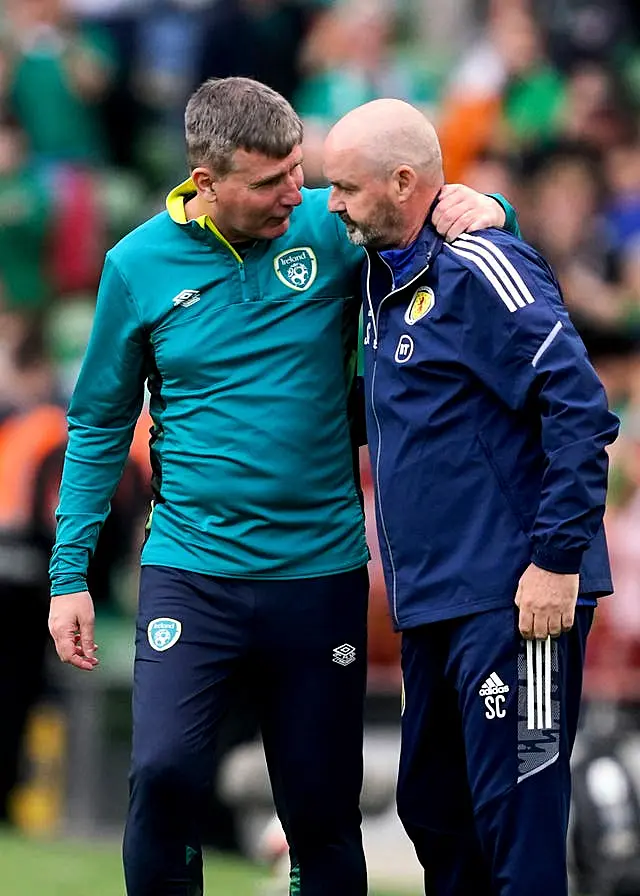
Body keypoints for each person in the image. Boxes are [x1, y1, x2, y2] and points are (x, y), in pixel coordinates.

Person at [47, 77, 515, 896]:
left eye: (299, 170)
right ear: (205, 182)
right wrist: (69, 576)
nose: (297, 193)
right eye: (270, 181)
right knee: (162, 779)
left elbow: (427, 215)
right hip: (193, 573)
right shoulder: (136, 266)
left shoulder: (329, 227)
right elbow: (95, 424)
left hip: (319, 571)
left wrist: (489, 207)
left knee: (322, 812)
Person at [322, 98, 620, 896]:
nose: (333, 206)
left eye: (346, 188)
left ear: (403, 181)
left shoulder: (483, 266)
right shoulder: (380, 280)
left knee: (516, 827)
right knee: (435, 811)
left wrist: (556, 562)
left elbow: (582, 409)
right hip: (434, 604)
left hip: (516, 597)